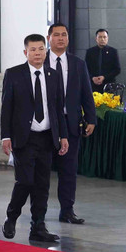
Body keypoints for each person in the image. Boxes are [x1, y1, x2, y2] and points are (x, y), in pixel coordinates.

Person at [1, 34, 69, 243]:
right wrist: (5, 136)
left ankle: (38, 227)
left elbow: (58, 108)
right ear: (26, 52)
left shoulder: (53, 75)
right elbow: (7, 108)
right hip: (24, 138)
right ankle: (12, 216)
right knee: (25, 181)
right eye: (33, 49)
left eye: (41, 49)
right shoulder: (14, 74)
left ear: (45, 51)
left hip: (47, 137)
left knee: (42, 185)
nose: (37, 53)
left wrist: (63, 135)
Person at [46, 23, 96, 224]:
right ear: (49, 38)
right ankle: (38, 213)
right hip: (46, 123)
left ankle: (67, 210)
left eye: (64, 35)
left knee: (68, 170)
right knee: (42, 170)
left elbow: (86, 93)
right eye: (56, 35)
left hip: (71, 122)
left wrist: (91, 118)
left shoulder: (77, 63)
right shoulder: (40, 62)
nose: (61, 38)